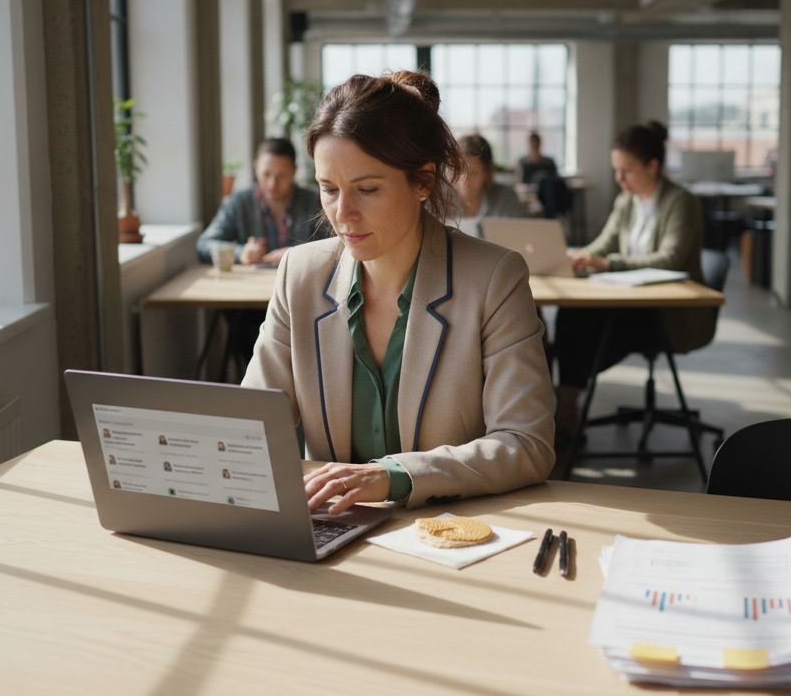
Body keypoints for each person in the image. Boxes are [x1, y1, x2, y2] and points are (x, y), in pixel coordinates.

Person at [243, 71, 555, 514]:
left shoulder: (493, 279)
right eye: (328, 189)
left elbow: (526, 442)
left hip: (446, 532)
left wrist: (395, 476)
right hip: (332, 526)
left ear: (423, 183)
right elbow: (255, 423)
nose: (342, 212)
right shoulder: (300, 273)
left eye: (367, 189)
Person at [553, 120, 711, 442]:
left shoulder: (681, 202)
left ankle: (567, 406)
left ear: (653, 166)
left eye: (626, 171)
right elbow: (605, 242)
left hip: (668, 314)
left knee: (583, 329)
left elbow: (670, 259)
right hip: (628, 303)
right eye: (616, 171)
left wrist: (609, 264)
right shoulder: (627, 201)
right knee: (571, 315)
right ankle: (567, 403)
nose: (619, 179)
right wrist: (579, 256)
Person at [196, 137, 328, 266]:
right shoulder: (238, 203)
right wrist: (241, 253)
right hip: (251, 283)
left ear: (294, 171)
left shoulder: (316, 201)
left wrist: (296, 255)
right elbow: (204, 245)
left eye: (281, 175)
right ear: (256, 168)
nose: (272, 184)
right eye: (266, 174)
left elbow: (338, 246)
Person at [453, 133, 533, 237]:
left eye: (474, 173)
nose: (464, 180)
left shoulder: (506, 198)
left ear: (487, 173)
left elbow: (524, 238)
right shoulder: (440, 200)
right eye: (460, 171)